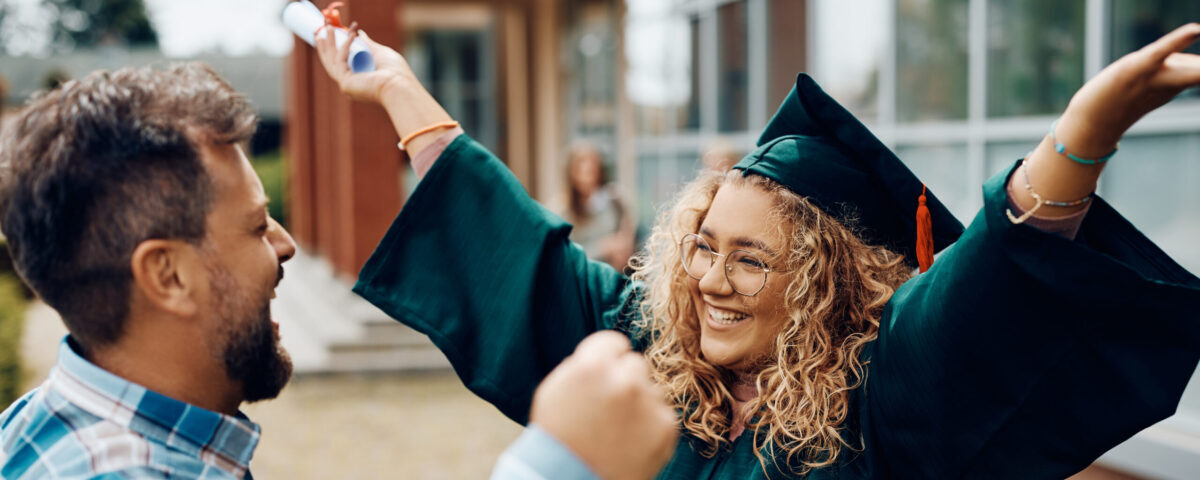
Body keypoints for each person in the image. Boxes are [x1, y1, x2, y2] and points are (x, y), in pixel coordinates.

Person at [318, 22, 1200, 480]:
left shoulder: (881, 392)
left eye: (748, 259)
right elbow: (513, 248)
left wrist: (1085, 133)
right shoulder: (649, 353)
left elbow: (987, 290)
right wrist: (399, 91)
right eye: (702, 247)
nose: (708, 281)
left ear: (824, 285)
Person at [0, 64, 676, 479]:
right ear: (168, 276)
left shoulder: (52, 427)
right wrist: (559, 466)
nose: (287, 244)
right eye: (257, 225)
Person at [557, 141, 636, 270]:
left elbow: (628, 235)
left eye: (592, 162)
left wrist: (623, 248)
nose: (588, 168)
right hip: (583, 282)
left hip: (615, 278)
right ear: (571, 171)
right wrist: (602, 248)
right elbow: (563, 257)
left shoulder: (615, 200)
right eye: (581, 163)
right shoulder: (562, 212)